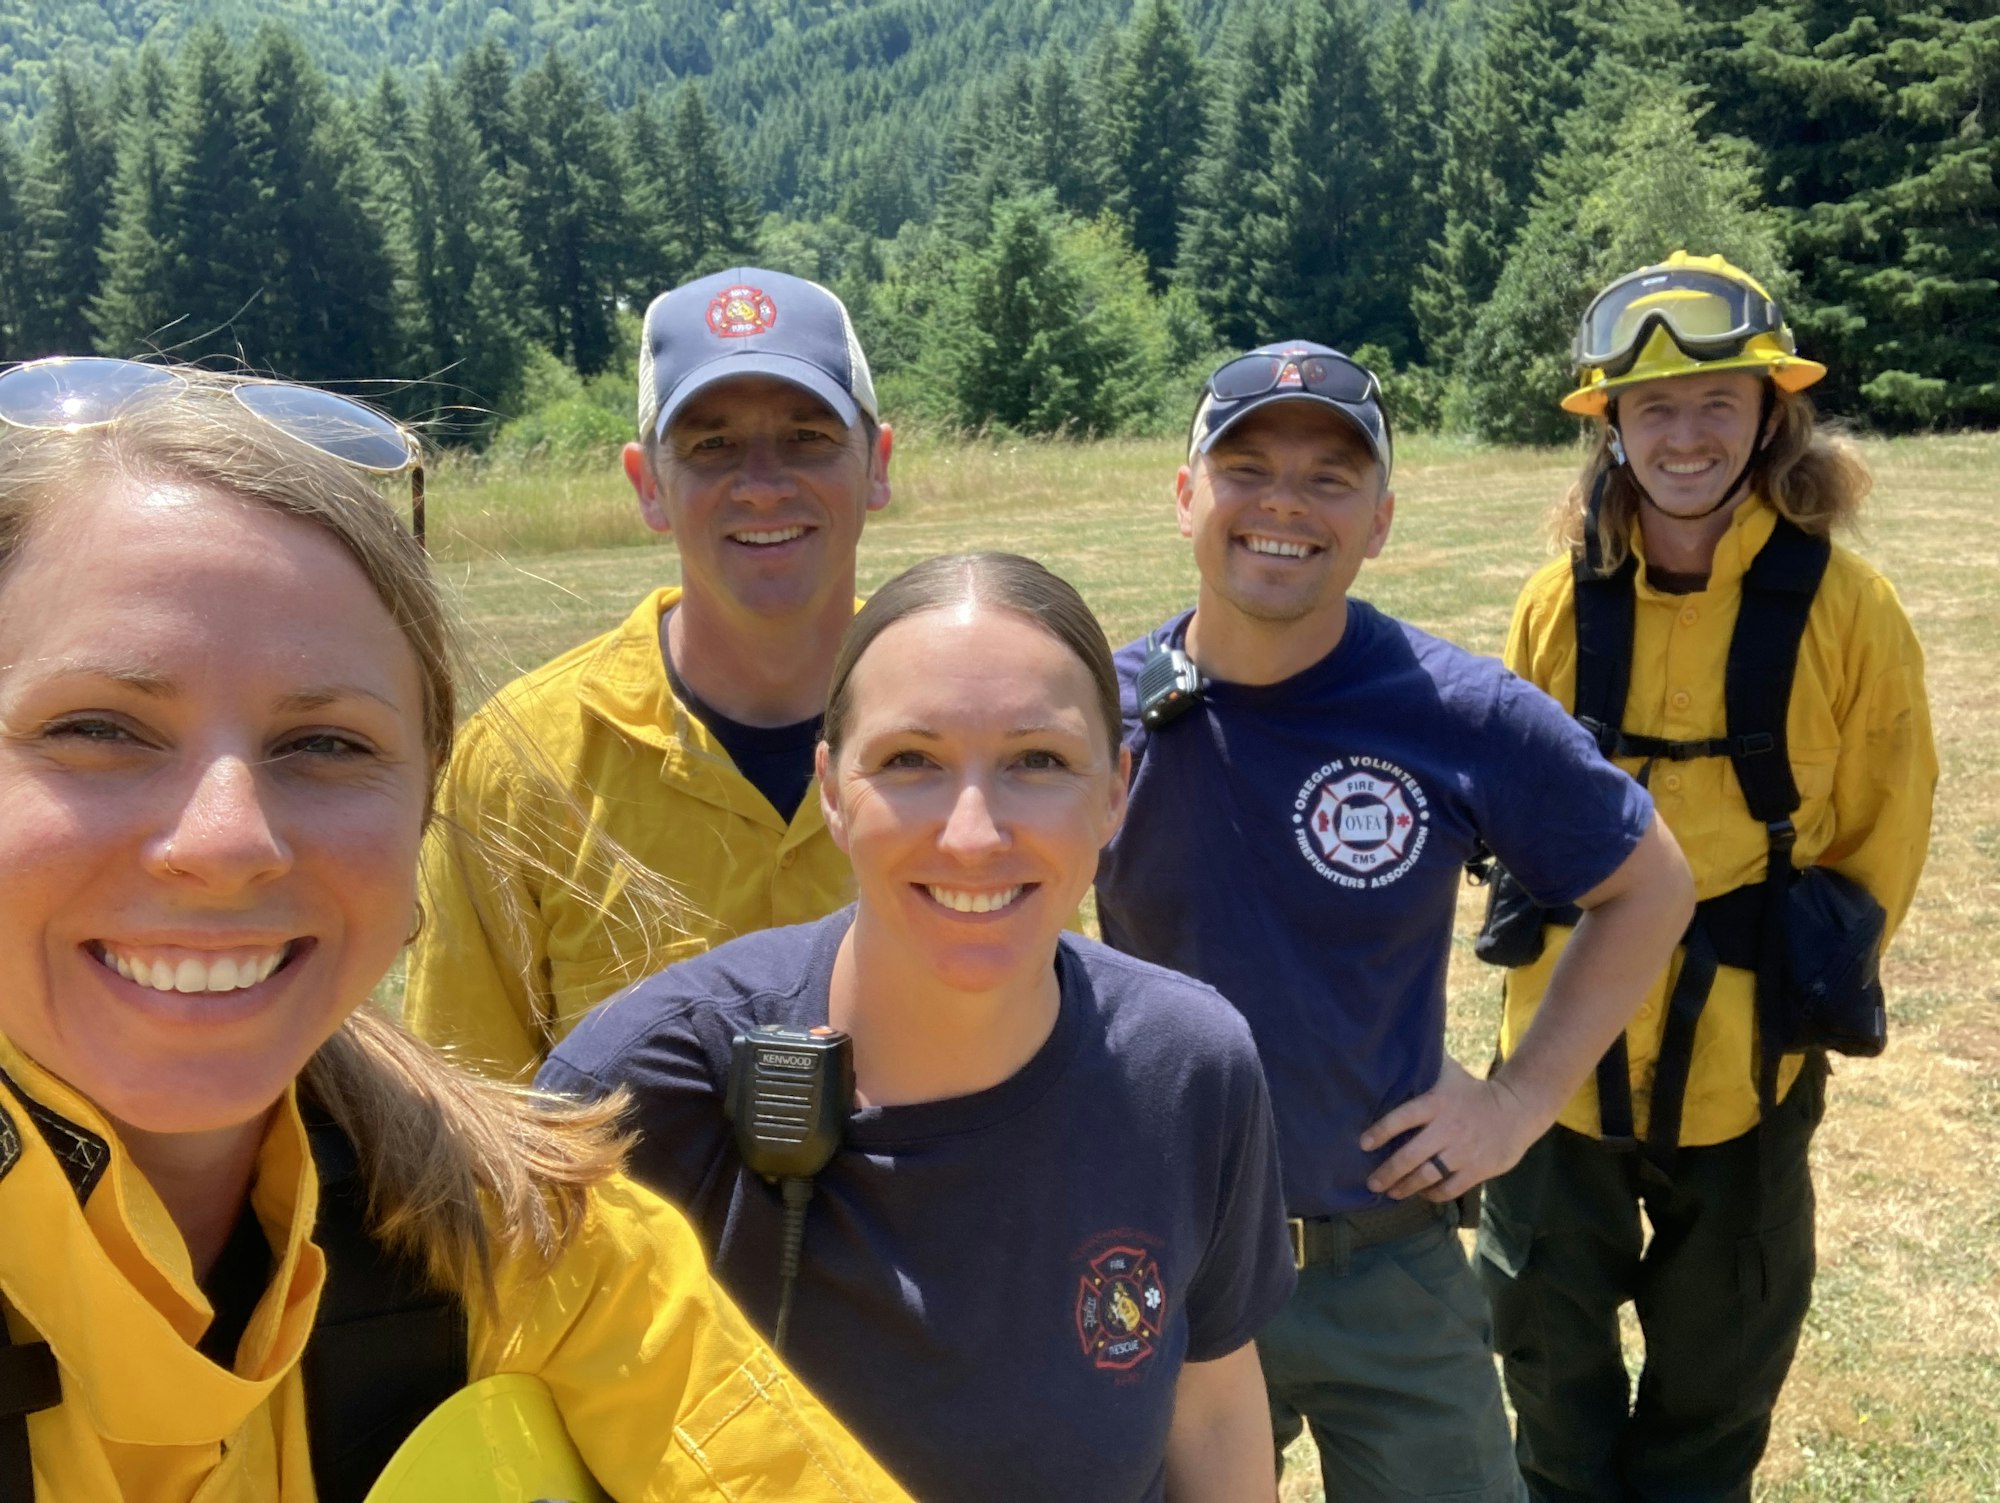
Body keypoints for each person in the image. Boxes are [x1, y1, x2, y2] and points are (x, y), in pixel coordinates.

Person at [0, 358, 910, 1502]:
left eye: (325, 744)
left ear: (424, 817)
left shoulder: (541, 1253)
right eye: (98, 728)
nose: (227, 839)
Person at [540, 552, 1298, 1503]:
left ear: (1115, 791)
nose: (973, 833)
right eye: (910, 761)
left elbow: (1214, 1409)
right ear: (829, 788)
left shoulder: (1190, 1067)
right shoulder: (639, 1088)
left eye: (1039, 760)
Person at [1091, 342, 1698, 1502]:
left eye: (1329, 476)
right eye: (1246, 467)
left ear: (1376, 521)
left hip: (1387, 1261)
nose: (1283, 504)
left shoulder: (1454, 711)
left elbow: (1649, 883)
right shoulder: (1102, 714)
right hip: (1172, 1261)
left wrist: (1517, 1103)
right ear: (1183, 500)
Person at [1476, 252, 1937, 1501]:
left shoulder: (1848, 611)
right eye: (1652, 409)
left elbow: (1883, 829)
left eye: (1715, 404)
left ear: (1768, 418)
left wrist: (1807, 989)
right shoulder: (1554, 605)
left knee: (1718, 1373)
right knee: (1543, 1363)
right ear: (1609, 426)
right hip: (1560, 1055)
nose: (1683, 437)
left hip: (1751, 1056)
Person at [407, 268, 893, 1077]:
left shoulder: (966, 721)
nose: (764, 484)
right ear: (648, 485)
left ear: (876, 465)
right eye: (712, 445)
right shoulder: (519, 765)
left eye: (809, 436)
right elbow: (465, 1111)